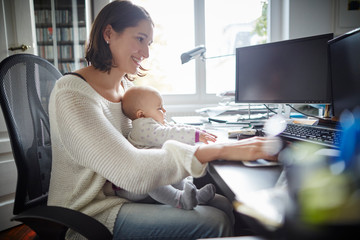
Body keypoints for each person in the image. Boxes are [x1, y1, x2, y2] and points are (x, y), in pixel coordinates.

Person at [47, 1, 278, 239]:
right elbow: (132, 171)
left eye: (149, 43)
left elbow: (160, 129)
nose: (146, 53)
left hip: (123, 194)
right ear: (108, 34)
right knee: (214, 221)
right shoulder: (73, 94)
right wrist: (217, 151)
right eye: (139, 39)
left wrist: (206, 138)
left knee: (221, 203)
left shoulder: (125, 88)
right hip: (90, 212)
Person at [105, 85, 216, 210]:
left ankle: (193, 196)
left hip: (153, 179)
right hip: (134, 186)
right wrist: (195, 135)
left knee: (175, 170)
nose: (164, 111)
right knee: (152, 177)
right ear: (141, 115)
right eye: (159, 108)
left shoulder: (153, 124)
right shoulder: (142, 129)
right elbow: (168, 133)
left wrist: (198, 131)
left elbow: (174, 127)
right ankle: (180, 200)